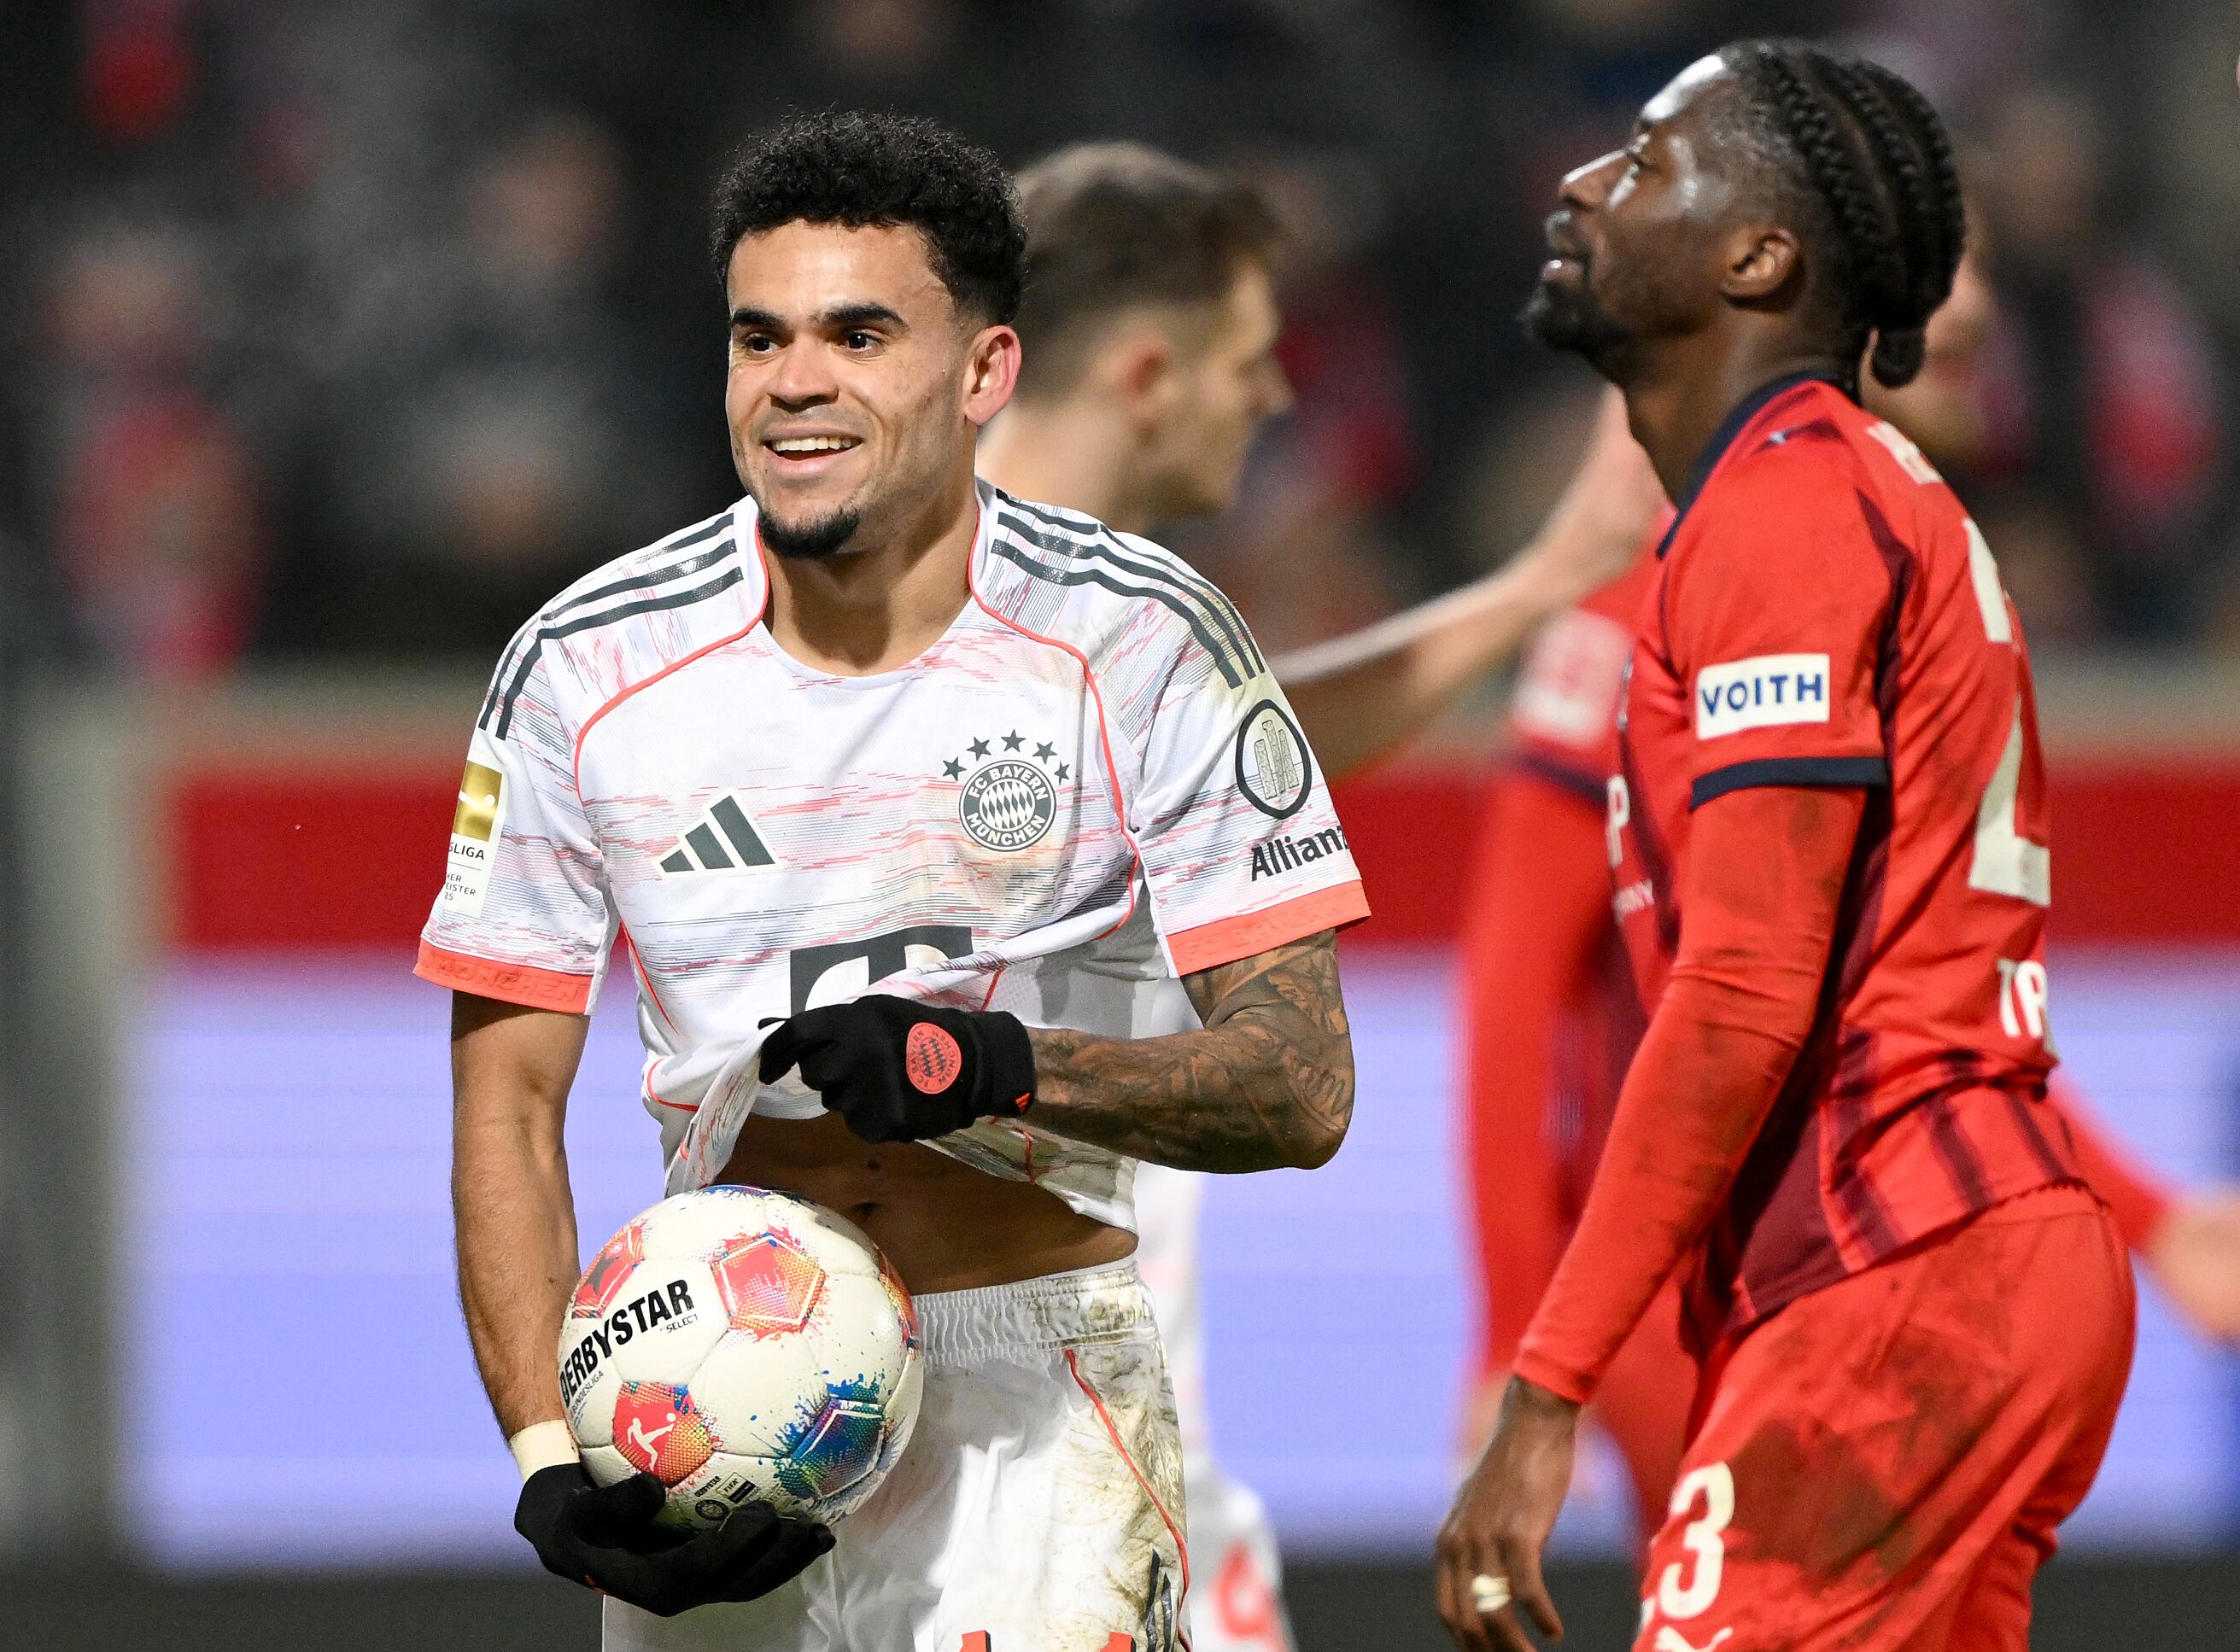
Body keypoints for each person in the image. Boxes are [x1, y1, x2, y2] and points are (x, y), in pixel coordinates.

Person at [420, 111, 1374, 1652]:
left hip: (1030, 1409)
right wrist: (548, 1456)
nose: (797, 380)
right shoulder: (581, 666)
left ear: (988, 371)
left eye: (861, 333)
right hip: (702, 1417)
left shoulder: (1142, 636)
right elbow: (509, 1106)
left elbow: (1302, 1084)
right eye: (761, 337)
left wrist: (979, 1063)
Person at [1437, 40, 2134, 1652]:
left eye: (1648, 161)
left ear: (1760, 256)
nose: (1581, 184)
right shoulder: (1808, 504)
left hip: (1903, 1280)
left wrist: (1543, 1390)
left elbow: (1745, 990)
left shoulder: (1787, 513)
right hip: (1954, 1266)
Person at [977, 141, 1662, 1652]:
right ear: (1147, 373)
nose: (1277, 397)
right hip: (1008, 1470)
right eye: (1249, 357)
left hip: (1121, 1449)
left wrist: (1534, 584)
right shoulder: (935, 617)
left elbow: (1240, 734)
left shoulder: (1090, 621)